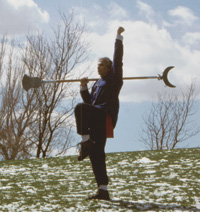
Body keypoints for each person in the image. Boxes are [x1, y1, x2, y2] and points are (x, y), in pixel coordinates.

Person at [74, 26, 125, 200]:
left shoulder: (115, 79)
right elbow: (90, 103)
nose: (98, 67)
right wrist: (83, 87)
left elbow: (118, 60)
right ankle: (103, 190)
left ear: (109, 67)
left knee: (80, 108)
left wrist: (118, 38)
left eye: (101, 64)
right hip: (95, 117)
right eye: (97, 65)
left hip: (105, 118)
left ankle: (85, 142)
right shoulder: (97, 83)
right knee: (97, 154)